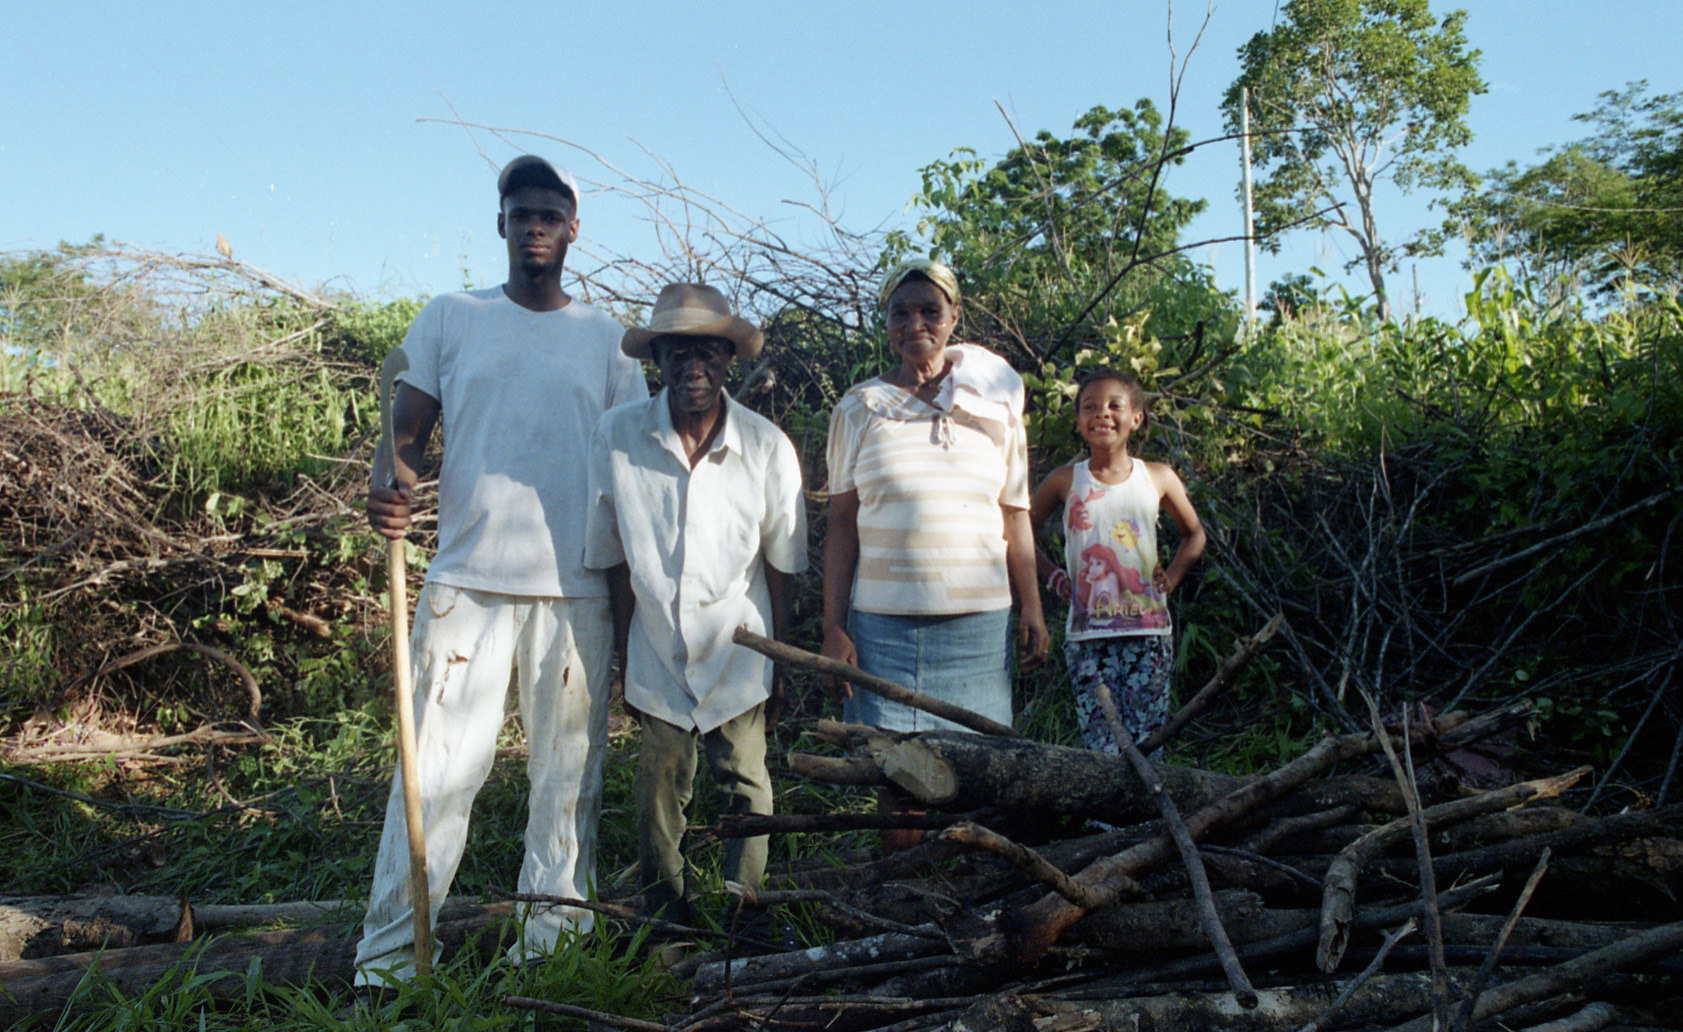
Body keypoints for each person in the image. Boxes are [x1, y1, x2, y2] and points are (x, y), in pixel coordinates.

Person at [354, 155, 647, 986]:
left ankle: (550, 952)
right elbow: (407, 432)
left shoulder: (609, 343)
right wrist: (390, 489)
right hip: (465, 585)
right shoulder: (453, 317)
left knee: (567, 783)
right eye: (520, 215)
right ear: (501, 226)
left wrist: (631, 622)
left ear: (573, 229)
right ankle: (389, 963)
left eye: (549, 215)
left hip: (575, 590)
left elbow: (627, 483)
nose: (534, 229)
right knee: (435, 777)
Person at [584, 283, 808, 923]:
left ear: (728, 358)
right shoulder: (618, 437)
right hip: (655, 646)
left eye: (707, 351)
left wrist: (780, 659)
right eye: (677, 353)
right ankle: (666, 921)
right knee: (658, 789)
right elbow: (613, 560)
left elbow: (783, 563)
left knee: (747, 784)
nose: (693, 367)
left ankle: (744, 913)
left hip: (739, 646)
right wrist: (626, 660)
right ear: (656, 359)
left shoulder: (765, 445)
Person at [821, 257, 1049, 750]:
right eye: (900, 313)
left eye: (930, 311)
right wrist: (834, 628)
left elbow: (1014, 512)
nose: (915, 325)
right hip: (880, 632)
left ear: (954, 316)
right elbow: (841, 524)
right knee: (888, 767)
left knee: (976, 767)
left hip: (977, 630)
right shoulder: (859, 408)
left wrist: (1032, 606)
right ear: (886, 322)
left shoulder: (995, 405)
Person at [1028, 367, 1206, 754]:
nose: (1102, 414)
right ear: (1078, 420)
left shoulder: (1157, 477)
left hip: (1148, 632)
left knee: (1148, 741)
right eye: (1090, 407)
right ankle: (1105, 799)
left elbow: (1195, 535)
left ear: (1136, 418)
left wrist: (1173, 576)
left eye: (1114, 406)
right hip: (1088, 636)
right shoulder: (1064, 481)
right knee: (1101, 744)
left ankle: (1149, 796)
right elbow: (1020, 532)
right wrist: (1055, 578)